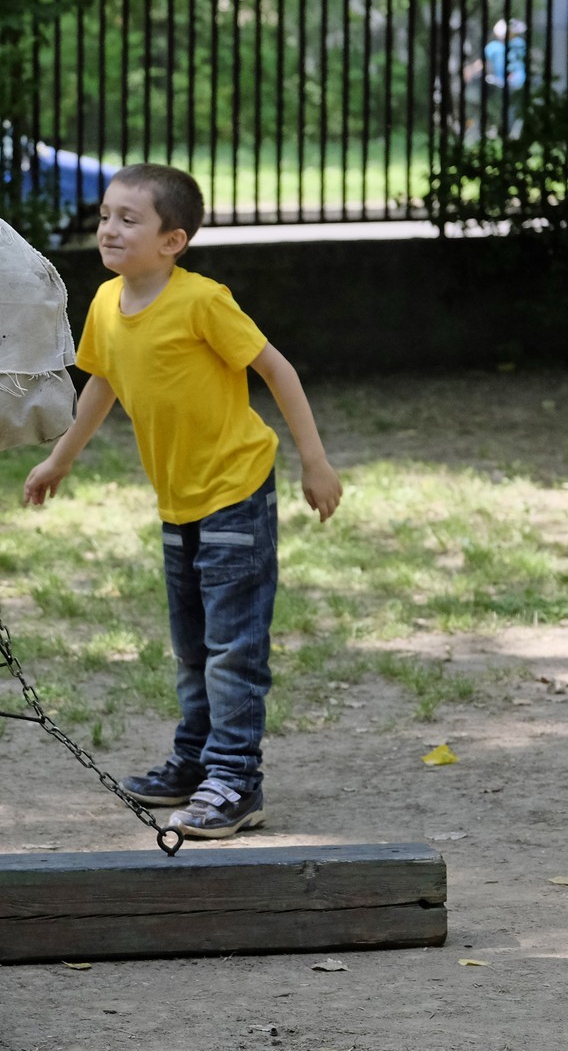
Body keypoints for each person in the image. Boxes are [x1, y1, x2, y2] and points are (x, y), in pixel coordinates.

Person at [22, 163, 342, 839]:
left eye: (128, 219)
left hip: (235, 490)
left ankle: (236, 780)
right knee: (193, 647)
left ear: (174, 241)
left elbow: (276, 368)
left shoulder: (202, 301)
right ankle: (196, 762)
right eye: (105, 216)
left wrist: (315, 462)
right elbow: (101, 384)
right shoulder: (106, 302)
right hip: (177, 501)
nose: (109, 229)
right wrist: (59, 459)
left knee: (232, 649)